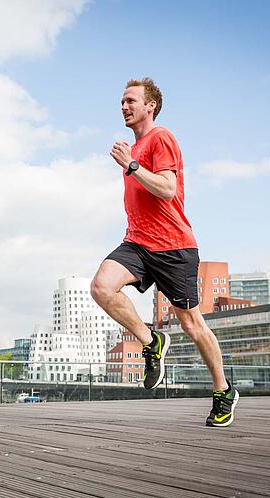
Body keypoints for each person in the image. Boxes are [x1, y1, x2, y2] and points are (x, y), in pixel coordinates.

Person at [90, 77, 239, 427]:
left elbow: (168, 189)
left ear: (149, 106)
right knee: (101, 287)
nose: (124, 107)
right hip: (138, 242)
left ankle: (223, 391)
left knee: (191, 323)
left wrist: (132, 165)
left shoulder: (161, 138)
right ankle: (151, 340)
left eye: (131, 101)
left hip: (174, 247)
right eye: (122, 102)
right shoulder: (135, 147)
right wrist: (132, 162)